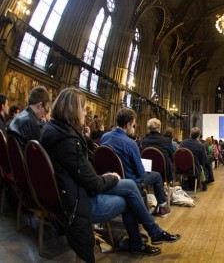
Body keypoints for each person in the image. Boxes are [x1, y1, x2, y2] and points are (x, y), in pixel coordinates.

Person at [41, 88, 180, 262]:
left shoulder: (55, 132)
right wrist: (111, 177)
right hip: (79, 202)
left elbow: (81, 171)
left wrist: (105, 172)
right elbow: (93, 184)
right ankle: (145, 237)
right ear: (73, 110)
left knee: (129, 186)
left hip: (73, 190)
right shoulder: (68, 142)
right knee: (130, 194)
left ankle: (152, 233)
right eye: (83, 108)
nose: (86, 112)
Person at [101, 108, 170, 217]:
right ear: (128, 125)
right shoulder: (130, 143)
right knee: (156, 175)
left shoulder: (104, 137)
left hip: (108, 179)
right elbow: (140, 172)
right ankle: (162, 207)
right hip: (129, 181)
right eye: (133, 125)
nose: (134, 127)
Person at [8, 86, 51, 151]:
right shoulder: (32, 122)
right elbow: (40, 152)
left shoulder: (19, 115)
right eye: (46, 109)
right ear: (39, 106)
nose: (45, 114)